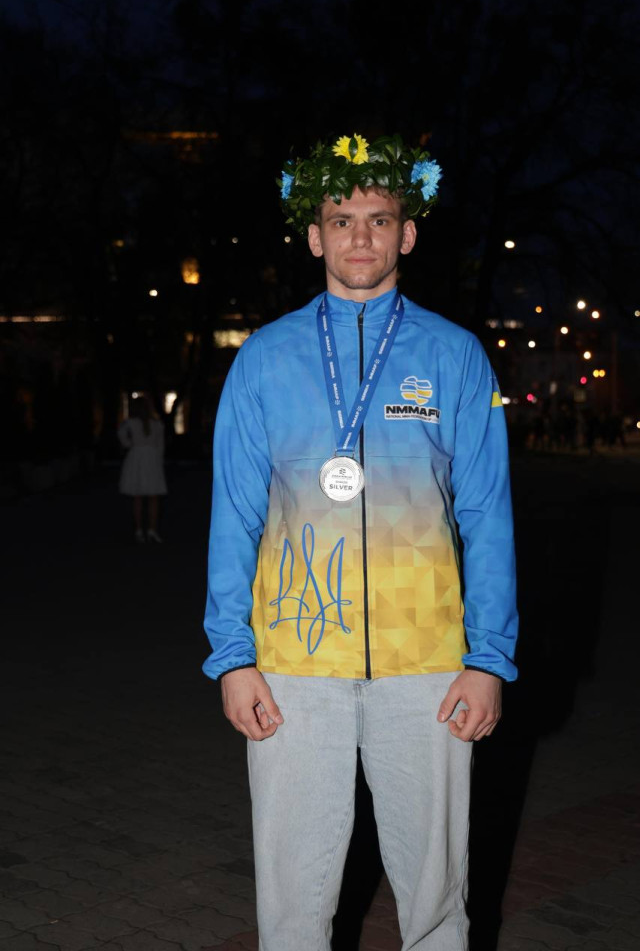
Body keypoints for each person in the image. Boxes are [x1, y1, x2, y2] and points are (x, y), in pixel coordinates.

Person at [203, 133, 518, 950]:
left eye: (379, 219)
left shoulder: (454, 355)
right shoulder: (263, 359)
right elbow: (234, 514)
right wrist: (233, 656)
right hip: (292, 663)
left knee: (436, 898)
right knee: (291, 900)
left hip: (429, 665)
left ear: (407, 233)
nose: (360, 237)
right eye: (341, 220)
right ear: (314, 237)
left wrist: (488, 658)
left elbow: (488, 514)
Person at [118, 395, 167, 543]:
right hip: (151, 459)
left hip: (137, 458)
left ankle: (139, 530)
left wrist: (129, 445)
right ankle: (152, 529)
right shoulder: (157, 424)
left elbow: (121, 436)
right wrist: (158, 460)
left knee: (137, 496)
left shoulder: (130, 423)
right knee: (153, 497)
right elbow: (160, 446)